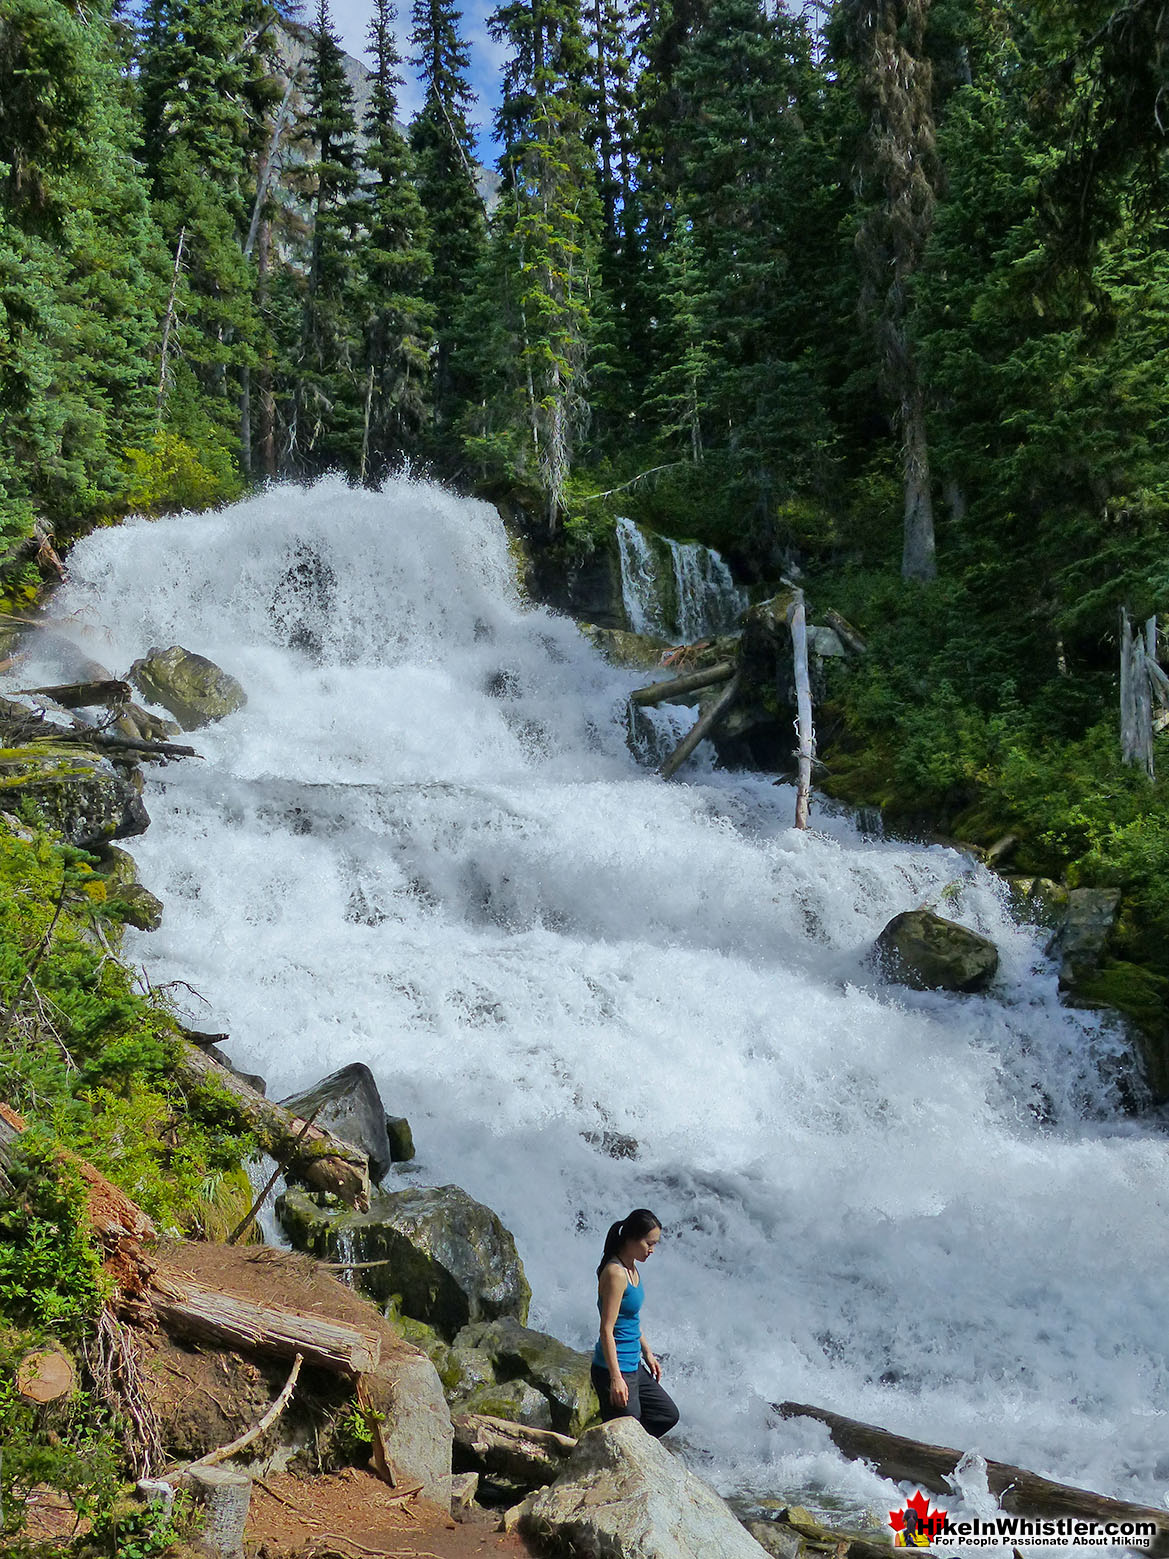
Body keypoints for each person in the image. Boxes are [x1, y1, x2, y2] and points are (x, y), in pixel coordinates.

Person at [590, 1207, 679, 1438]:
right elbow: (606, 1329)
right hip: (616, 1369)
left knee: (667, 1414)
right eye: (649, 1243)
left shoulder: (632, 1268)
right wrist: (616, 1378)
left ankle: (633, 1450)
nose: (652, 1250)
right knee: (627, 1434)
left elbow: (629, 1320)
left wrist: (647, 1352)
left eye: (655, 1244)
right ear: (631, 1238)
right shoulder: (615, 1273)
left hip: (634, 1365)